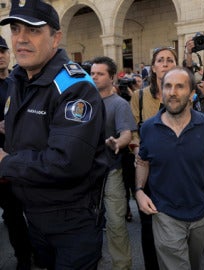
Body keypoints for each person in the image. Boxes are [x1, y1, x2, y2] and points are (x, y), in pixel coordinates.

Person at [0, 1, 108, 269]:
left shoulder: (75, 87)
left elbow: (66, 162)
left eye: (33, 30)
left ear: (56, 38)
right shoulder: (18, 80)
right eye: (15, 29)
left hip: (71, 221)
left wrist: (5, 162)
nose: (21, 39)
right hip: (33, 215)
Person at [135, 66, 204, 270]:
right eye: (167, 86)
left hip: (201, 213)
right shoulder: (148, 128)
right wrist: (139, 190)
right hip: (165, 214)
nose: (172, 92)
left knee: (194, 263)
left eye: (179, 86)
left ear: (192, 94)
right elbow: (143, 162)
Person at [129, 46, 178, 270]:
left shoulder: (186, 95)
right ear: (153, 66)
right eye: (160, 60)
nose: (165, 63)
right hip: (147, 171)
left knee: (177, 224)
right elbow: (132, 131)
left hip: (177, 171)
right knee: (149, 226)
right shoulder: (139, 97)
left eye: (170, 60)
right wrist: (139, 152)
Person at [90, 56, 137, 270]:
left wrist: (118, 142)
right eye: (92, 73)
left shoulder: (119, 104)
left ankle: (122, 266)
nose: (94, 77)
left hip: (111, 172)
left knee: (116, 224)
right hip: (86, 174)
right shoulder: (84, 102)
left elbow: (127, 133)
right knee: (88, 224)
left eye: (100, 74)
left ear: (111, 78)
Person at [0, 35, 33, 270]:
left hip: (20, 157)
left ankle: (31, 254)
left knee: (27, 209)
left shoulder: (17, 81)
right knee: (12, 214)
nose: (0, 55)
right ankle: (23, 256)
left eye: (3, 50)